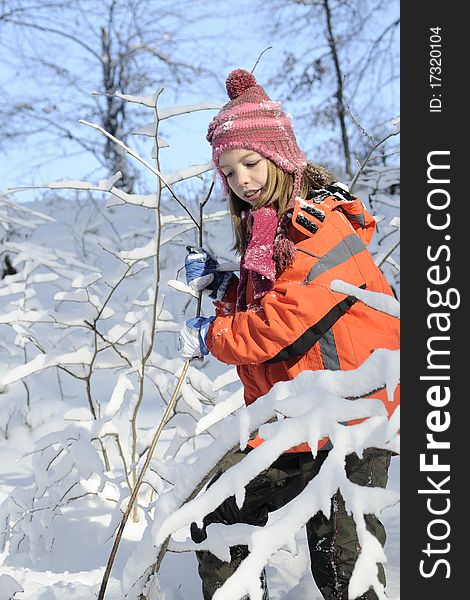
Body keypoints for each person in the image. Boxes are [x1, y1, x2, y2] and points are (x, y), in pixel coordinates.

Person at [177, 69, 400, 600]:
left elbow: (278, 327)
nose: (243, 181)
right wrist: (226, 286)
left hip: (351, 413)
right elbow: (274, 304)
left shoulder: (319, 226)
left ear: (281, 157)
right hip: (296, 413)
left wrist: (213, 336)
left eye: (251, 163)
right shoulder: (270, 229)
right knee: (216, 517)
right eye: (229, 173)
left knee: (342, 560)